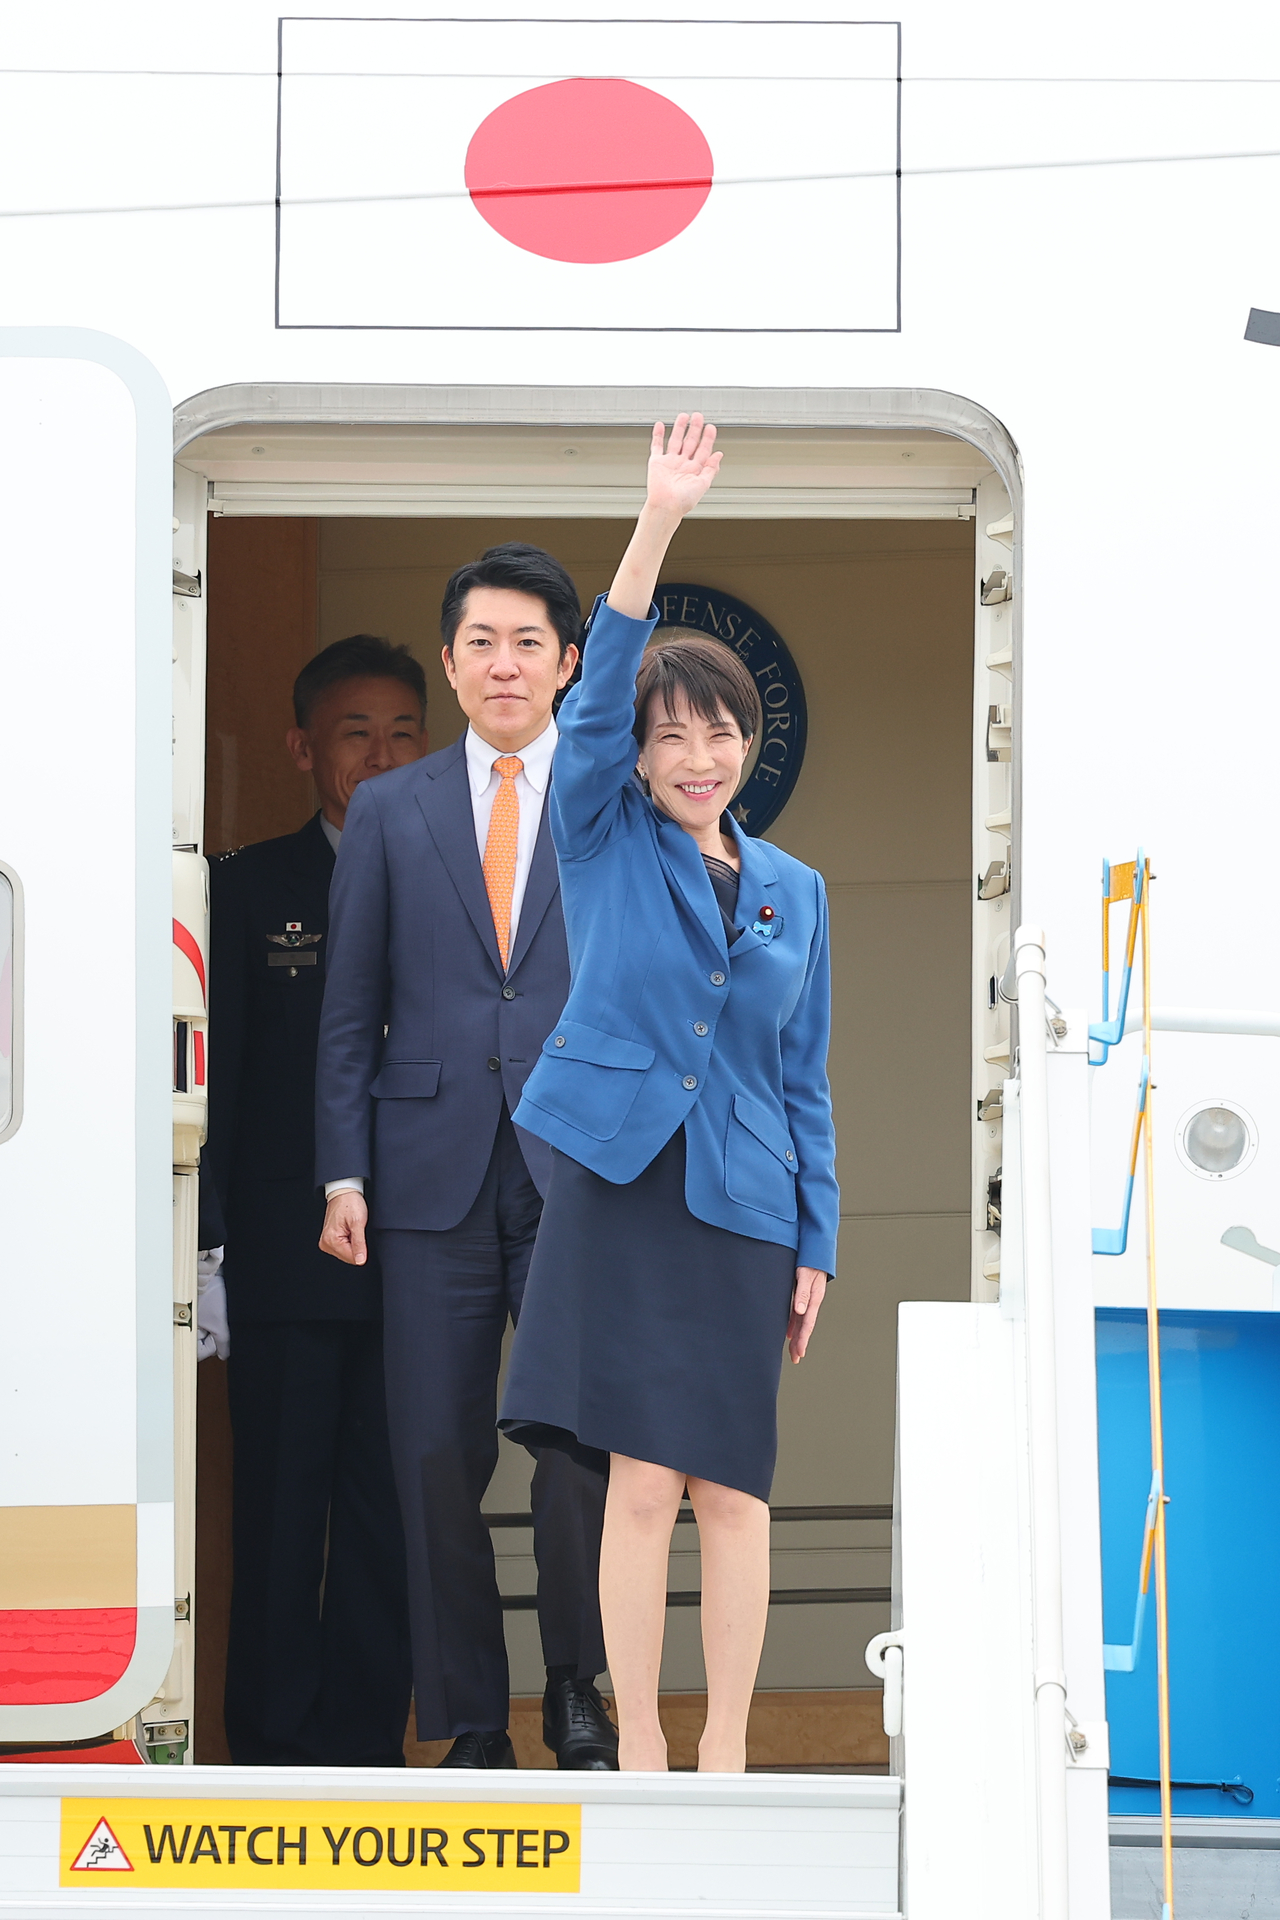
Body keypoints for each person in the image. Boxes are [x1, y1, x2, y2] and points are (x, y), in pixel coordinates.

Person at [499, 416, 839, 1773]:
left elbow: (802, 1075)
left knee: (735, 1489)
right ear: (636, 752)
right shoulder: (599, 830)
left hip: (748, 1203)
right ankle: (640, 1739)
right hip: (622, 1181)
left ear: (751, 744)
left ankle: (728, 1750)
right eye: (674, 734)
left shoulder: (795, 890)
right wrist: (658, 520)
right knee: (640, 1479)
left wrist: (819, 1239)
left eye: (724, 732)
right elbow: (590, 702)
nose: (701, 755)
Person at [315, 545, 618, 1771]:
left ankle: (580, 1692)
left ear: (567, 664)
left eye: (528, 643)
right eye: (481, 642)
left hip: (575, 1175)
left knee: (573, 1452)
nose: (504, 663)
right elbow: (349, 1009)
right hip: (423, 1171)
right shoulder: (393, 808)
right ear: (450, 662)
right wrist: (343, 1173)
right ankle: (473, 1720)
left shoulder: (610, 797)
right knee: (433, 1456)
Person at [203, 634, 425, 1766]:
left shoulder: (457, 876)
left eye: (401, 731)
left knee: (391, 1523)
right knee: (281, 1517)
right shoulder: (246, 888)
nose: (380, 755)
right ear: (304, 748)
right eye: (355, 732)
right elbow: (222, 1078)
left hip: (422, 1266)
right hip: (285, 1265)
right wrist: (208, 1251)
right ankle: (271, 1749)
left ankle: (364, 1753)